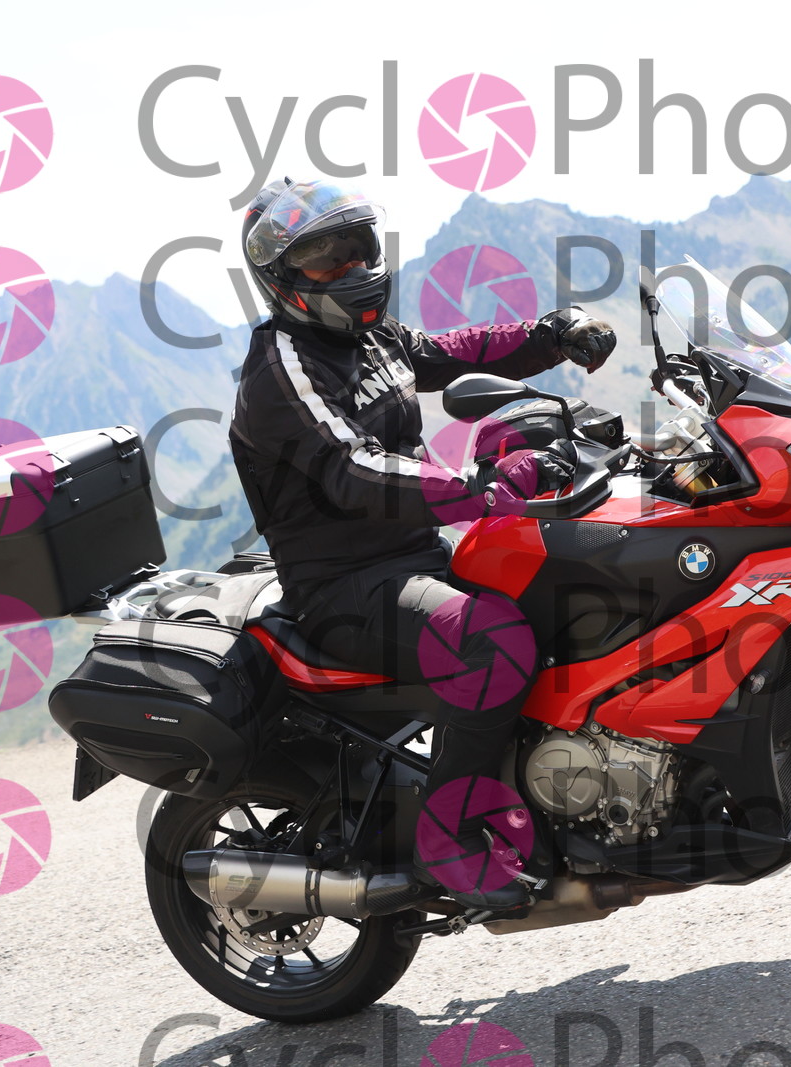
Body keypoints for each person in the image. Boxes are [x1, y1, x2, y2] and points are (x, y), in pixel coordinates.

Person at [227, 178, 616, 910]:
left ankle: (558, 800)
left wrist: (551, 334)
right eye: (325, 259)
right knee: (493, 644)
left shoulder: (368, 336)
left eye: (356, 249)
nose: (349, 268)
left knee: (561, 585)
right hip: (346, 589)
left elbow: (447, 352)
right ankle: (448, 838)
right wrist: (476, 485)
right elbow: (353, 469)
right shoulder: (281, 368)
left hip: (418, 556)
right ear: (280, 279)